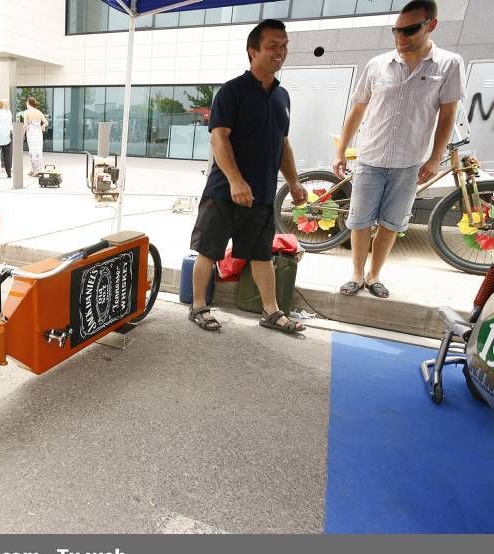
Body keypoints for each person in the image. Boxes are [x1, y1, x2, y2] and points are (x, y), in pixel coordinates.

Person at [334, 0, 466, 299]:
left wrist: (434, 158)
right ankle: (356, 274)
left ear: (431, 25)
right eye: (396, 30)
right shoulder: (377, 64)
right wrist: (341, 151)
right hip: (370, 157)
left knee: (392, 223)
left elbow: (447, 116)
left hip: (409, 162)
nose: (401, 37)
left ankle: (374, 275)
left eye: (410, 30)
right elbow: (356, 111)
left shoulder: (449, 64)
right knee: (359, 221)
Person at [188, 19, 307, 334]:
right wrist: (235, 181)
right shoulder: (232, 91)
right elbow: (219, 138)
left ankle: (271, 312)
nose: (280, 52)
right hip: (224, 192)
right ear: (253, 51)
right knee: (208, 251)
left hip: (263, 195)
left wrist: (294, 182)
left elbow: (282, 144)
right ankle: (199, 306)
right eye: (272, 46)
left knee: (261, 254)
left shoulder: (282, 97)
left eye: (284, 46)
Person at [23, 96, 48, 176]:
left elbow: (25, 125)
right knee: (38, 151)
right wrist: (43, 126)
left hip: (31, 133)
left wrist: (22, 134)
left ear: (29, 103)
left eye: (27, 102)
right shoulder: (39, 112)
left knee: (32, 151)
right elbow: (46, 122)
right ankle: (37, 170)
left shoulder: (26, 112)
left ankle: (34, 170)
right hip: (38, 132)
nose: (26, 104)